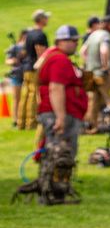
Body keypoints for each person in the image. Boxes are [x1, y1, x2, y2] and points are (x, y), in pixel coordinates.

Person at [34, 25, 88, 199]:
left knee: (57, 151)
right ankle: (54, 190)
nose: (76, 44)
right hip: (59, 113)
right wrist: (61, 116)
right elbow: (56, 88)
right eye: (73, 41)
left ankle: (53, 188)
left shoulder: (56, 57)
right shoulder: (59, 59)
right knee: (60, 152)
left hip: (61, 112)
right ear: (61, 41)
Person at [7, 30, 31, 129]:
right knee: (17, 98)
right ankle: (15, 120)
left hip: (27, 74)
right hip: (16, 75)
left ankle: (26, 118)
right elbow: (8, 60)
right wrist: (14, 61)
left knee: (27, 98)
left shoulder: (29, 48)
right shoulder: (14, 47)